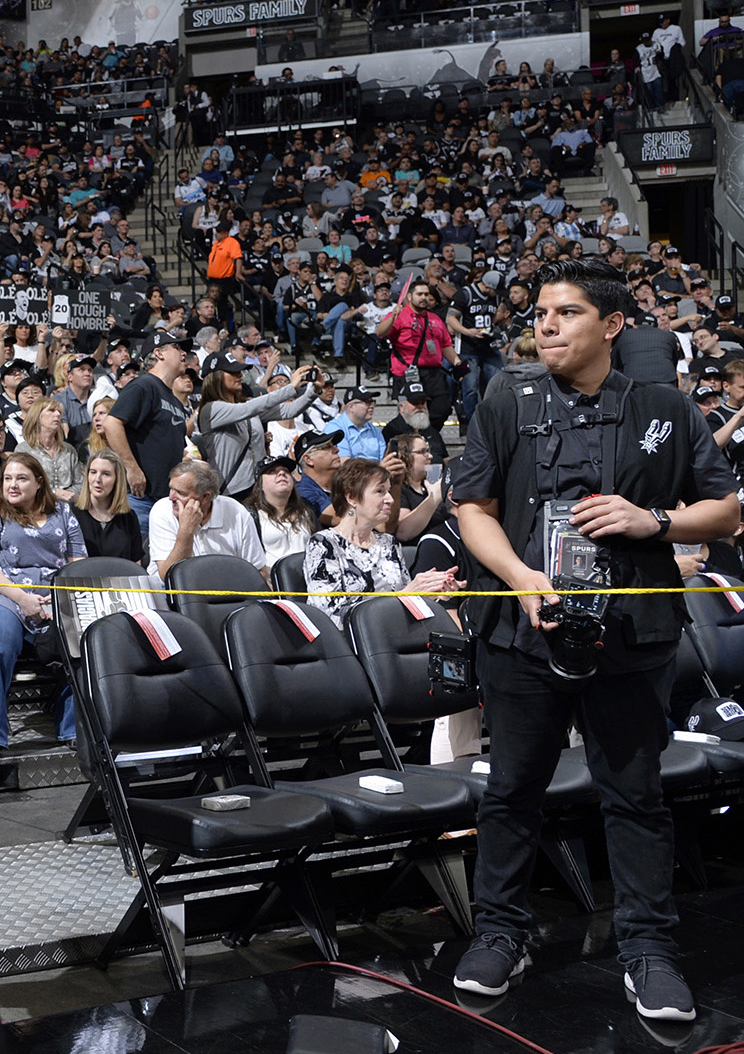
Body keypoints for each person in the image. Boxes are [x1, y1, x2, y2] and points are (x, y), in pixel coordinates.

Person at [449, 257, 740, 1020]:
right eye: (541, 312)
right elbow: (470, 506)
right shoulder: (504, 399)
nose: (545, 324)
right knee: (511, 790)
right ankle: (500, 933)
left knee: (635, 796)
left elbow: (728, 511)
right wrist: (520, 575)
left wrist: (657, 523)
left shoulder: (666, 410)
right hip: (521, 630)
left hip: (632, 635)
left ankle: (648, 949)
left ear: (612, 325)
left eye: (566, 312)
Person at [0, 453, 87, 758]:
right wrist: (22, 598)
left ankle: (74, 727)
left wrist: (60, 599)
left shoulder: (62, 511)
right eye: (7, 478)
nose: (12, 484)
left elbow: (78, 563)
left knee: (83, 637)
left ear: (39, 482)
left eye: (21, 478)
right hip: (4, 594)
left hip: (54, 596)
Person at [302, 458, 462, 629]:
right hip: (350, 647)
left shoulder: (389, 543)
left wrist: (433, 594)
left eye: (388, 491)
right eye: (380, 491)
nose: (390, 499)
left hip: (395, 638)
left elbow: (408, 603)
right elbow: (331, 617)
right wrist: (406, 595)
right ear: (352, 497)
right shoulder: (323, 544)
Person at [102, 329, 195, 533]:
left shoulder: (173, 399)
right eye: (177, 347)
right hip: (141, 498)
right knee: (141, 559)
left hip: (168, 497)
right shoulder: (144, 385)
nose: (183, 354)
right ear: (159, 353)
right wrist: (132, 468)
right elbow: (112, 423)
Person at [195, 351, 321, 502]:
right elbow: (248, 409)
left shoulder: (245, 406)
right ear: (216, 377)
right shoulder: (211, 410)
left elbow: (289, 410)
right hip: (231, 493)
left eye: (239, 371)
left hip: (259, 488)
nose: (239, 375)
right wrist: (290, 387)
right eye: (233, 372)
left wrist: (314, 390)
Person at [376, 279, 458, 459]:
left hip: (434, 373)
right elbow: (380, 333)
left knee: (443, 408)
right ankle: (408, 444)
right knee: (409, 412)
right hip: (407, 373)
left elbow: (445, 345)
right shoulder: (400, 314)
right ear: (410, 296)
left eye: (427, 294)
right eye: (420, 294)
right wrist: (392, 317)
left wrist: (457, 362)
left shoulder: (435, 318)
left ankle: (422, 436)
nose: (424, 298)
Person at [148, 459, 268, 580]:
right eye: (171, 488)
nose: (171, 497)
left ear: (205, 497)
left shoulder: (236, 512)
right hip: (174, 593)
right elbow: (168, 576)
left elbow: (258, 570)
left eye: (181, 493)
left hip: (227, 591)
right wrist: (186, 531)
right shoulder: (162, 510)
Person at [72, 449, 147, 564]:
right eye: (93, 472)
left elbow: (136, 564)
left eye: (106, 474)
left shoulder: (129, 517)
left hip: (120, 580)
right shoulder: (72, 515)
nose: (97, 479)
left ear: (117, 479)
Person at [246, 453, 319, 568]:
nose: (282, 473)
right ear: (260, 485)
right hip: (271, 582)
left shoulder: (306, 510)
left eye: (286, 471)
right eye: (272, 471)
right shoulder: (251, 515)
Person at [15, 397, 84, 503]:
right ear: (37, 416)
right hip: (36, 506)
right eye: (51, 410)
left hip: (68, 507)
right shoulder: (23, 450)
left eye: (59, 412)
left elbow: (80, 482)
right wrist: (54, 493)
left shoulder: (69, 449)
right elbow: (21, 485)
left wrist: (67, 495)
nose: (57, 414)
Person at [295, 429, 342, 525]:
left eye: (334, 446)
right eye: (327, 447)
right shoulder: (302, 491)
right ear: (308, 459)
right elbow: (338, 518)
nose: (337, 450)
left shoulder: (341, 484)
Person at [324, 386, 385, 460]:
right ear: (351, 407)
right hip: (352, 471)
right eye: (367, 402)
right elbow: (344, 464)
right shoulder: (335, 428)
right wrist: (380, 468)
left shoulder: (375, 430)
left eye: (372, 402)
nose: (372, 406)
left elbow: (384, 458)